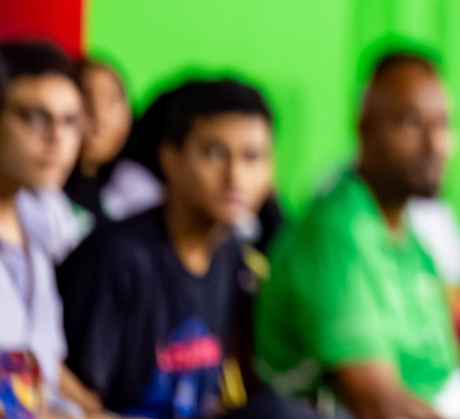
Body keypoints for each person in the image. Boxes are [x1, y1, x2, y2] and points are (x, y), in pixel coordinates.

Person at [255, 52, 460, 419]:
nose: (435, 143)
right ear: (364, 128)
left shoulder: (413, 241)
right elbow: (378, 404)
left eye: (443, 124)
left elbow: (445, 380)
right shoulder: (337, 232)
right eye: (411, 123)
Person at [59, 77, 276, 419]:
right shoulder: (118, 257)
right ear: (169, 158)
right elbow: (68, 403)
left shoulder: (231, 253)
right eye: (215, 154)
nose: (236, 177)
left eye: (253, 157)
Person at [0, 39, 85, 419]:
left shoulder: (43, 215)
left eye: (70, 121)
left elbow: (43, 366)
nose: (57, 139)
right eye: (35, 117)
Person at [62, 57, 162, 233]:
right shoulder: (32, 198)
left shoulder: (141, 193)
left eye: (111, 100)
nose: (98, 115)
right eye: (84, 97)